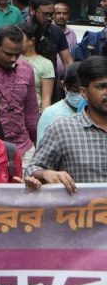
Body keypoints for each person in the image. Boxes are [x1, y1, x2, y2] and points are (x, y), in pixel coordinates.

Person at [24, 55, 107, 193]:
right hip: (81, 213)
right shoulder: (62, 129)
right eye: (101, 87)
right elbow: (32, 170)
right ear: (84, 93)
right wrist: (46, 174)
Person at [0, 25, 39, 165]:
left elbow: (31, 112)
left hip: (23, 149)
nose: (13, 59)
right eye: (8, 54)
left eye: (18, 54)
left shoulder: (26, 68)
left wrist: (35, 141)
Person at [37, 62, 81, 143]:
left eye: (84, 91)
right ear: (64, 86)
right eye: (75, 90)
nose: (81, 95)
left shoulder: (97, 113)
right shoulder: (51, 114)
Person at [18, 22, 55, 111]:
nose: (15, 40)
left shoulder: (45, 64)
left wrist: (44, 120)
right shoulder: (11, 58)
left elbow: (46, 99)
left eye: (19, 38)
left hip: (35, 114)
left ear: (31, 41)